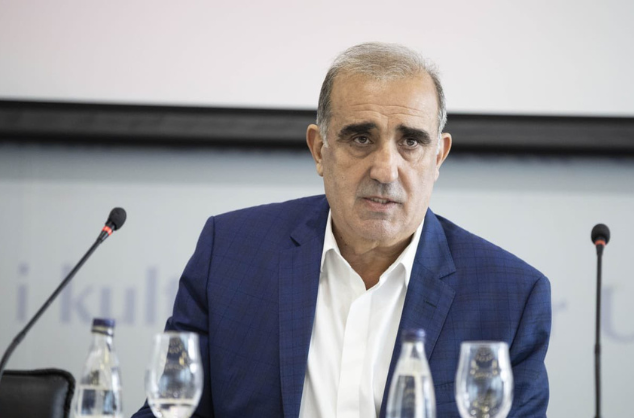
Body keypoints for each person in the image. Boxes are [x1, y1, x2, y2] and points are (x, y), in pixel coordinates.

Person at [133, 42, 551, 418]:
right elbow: (170, 410)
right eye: (361, 139)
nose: (386, 170)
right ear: (320, 149)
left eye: (410, 142)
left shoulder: (511, 298)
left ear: (438, 156)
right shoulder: (229, 254)